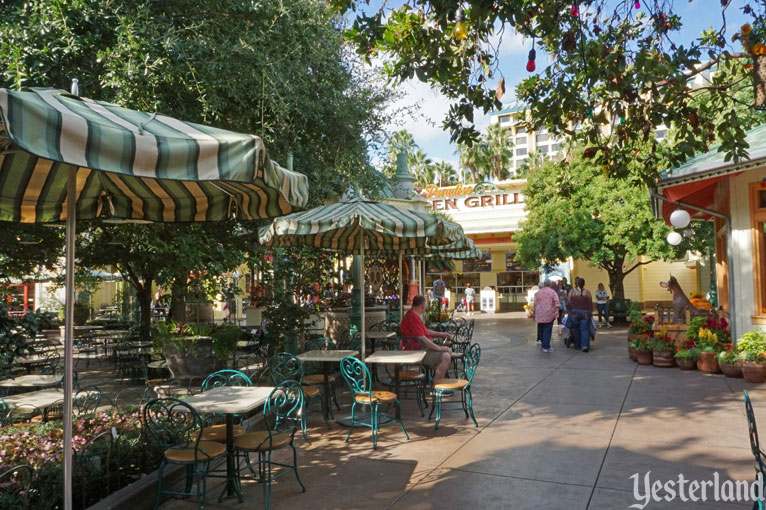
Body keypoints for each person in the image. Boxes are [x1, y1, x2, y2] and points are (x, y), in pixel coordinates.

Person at [399, 295, 453, 381]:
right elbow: (422, 338)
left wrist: (441, 334)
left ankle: (437, 379)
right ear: (423, 306)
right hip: (415, 352)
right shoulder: (412, 317)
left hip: (418, 349)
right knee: (446, 356)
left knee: (447, 352)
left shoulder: (412, 315)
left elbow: (425, 331)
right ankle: (437, 386)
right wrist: (439, 348)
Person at [534, 280, 560, 353]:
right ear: (550, 285)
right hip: (549, 313)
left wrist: (534, 312)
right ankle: (546, 346)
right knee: (547, 330)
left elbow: (535, 303)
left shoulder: (538, 292)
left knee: (542, 329)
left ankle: (543, 344)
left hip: (540, 313)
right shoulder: (552, 292)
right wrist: (557, 310)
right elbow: (556, 302)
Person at [568, 277, 593, 352]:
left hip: (574, 313)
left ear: (577, 284)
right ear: (584, 284)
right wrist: (590, 312)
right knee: (584, 329)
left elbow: (568, 302)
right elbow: (590, 303)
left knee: (576, 329)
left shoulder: (572, 291)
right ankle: (584, 345)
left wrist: (569, 311)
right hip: (585, 313)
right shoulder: (587, 292)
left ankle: (577, 345)